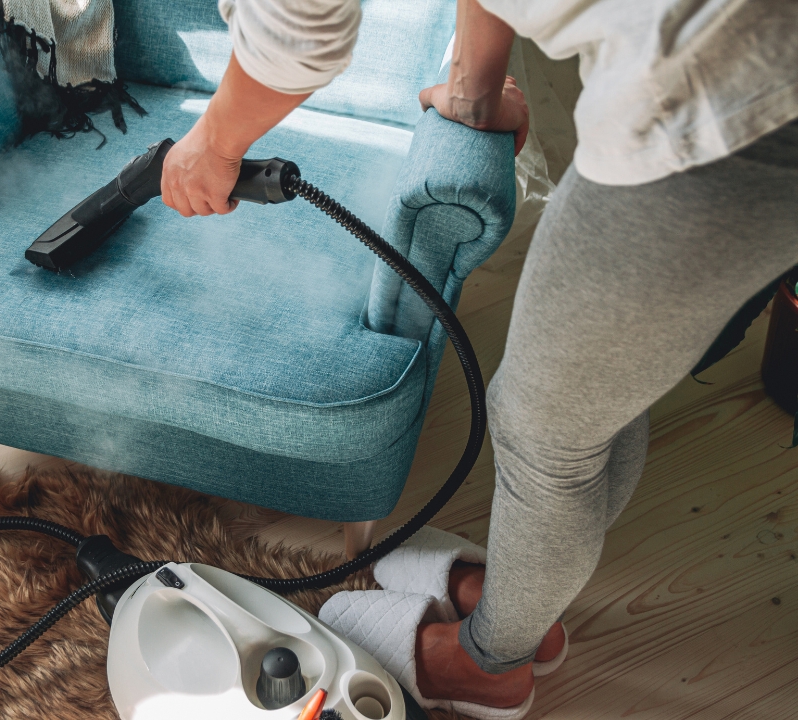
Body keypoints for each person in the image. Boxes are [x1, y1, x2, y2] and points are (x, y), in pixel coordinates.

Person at [160, 0, 798, 710]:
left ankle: (494, 661)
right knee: (606, 386)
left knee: (549, 438)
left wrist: (213, 147)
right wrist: (475, 89)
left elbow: (297, 37)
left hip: (736, 106)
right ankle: (528, 603)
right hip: (745, 73)